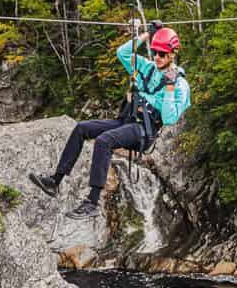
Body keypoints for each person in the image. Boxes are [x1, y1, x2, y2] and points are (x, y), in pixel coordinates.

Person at [30, 20, 191, 218]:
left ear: (172, 54)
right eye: (155, 52)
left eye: (162, 54)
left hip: (144, 131)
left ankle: (92, 201)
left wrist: (169, 88)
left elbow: (169, 118)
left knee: (104, 140)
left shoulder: (180, 85)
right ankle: (55, 181)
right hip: (127, 121)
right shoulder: (147, 67)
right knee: (82, 128)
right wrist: (147, 35)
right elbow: (122, 53)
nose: (157, 57)